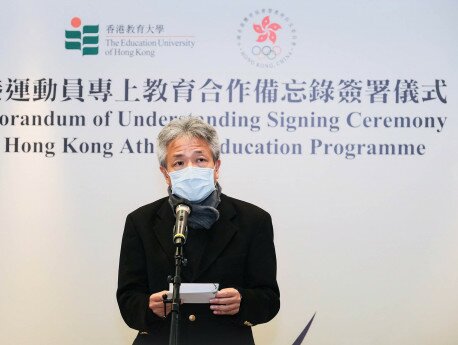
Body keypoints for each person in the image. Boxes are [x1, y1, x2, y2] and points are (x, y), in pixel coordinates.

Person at [117, 117, 280, 345]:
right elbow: (127, 298)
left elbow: (269, 298)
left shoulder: (253, 220)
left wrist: (243, 301)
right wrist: (148, 307)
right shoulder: (141, 221)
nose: (191, 170)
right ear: (166, 173)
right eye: (179, 163)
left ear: (216, 167)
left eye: (201, 159)